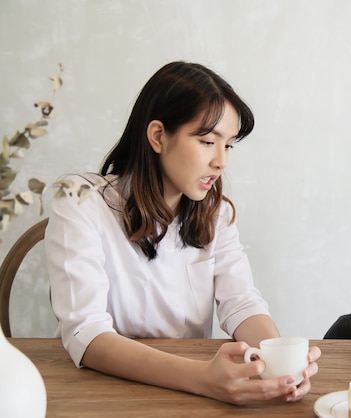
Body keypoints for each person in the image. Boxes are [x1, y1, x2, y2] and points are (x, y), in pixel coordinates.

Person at [44, 61, 320, 405]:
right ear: (158, 136)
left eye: (229, 145)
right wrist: (204, 378)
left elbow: (242, 302)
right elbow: (86, 333)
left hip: (189, 396)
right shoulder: (79, 200)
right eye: (207, 141)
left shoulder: (215, 213)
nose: (222, 161)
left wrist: (276, 363)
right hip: (101, 392)